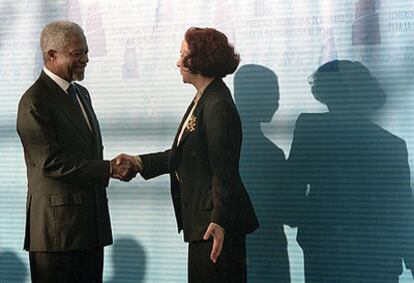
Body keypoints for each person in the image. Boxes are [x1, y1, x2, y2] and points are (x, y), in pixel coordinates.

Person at [117, 27, 259, 283]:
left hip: (214, 227)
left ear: (200, 60)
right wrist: (140, 163)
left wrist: (219, 221)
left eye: (183, 54)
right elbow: (189, 154)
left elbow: (224, 171)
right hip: (205, 222)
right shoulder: (205, 98)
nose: (177, 62)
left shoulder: (217, 106)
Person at [16, 20, 137, 283]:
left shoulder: (81, 94)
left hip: (89, 227)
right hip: (57, 233)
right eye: (77, 53)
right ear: (51, 55)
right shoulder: (34, 101)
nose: (85, 59)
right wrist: (109, 169)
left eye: (86, 51)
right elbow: (50, 162)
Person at [287, 60, 414, 283]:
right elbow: (401, 207)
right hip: (374, 255)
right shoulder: (391, 144)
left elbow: (293, 182)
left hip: (325, 249)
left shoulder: (310, 128)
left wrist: (297, 215)